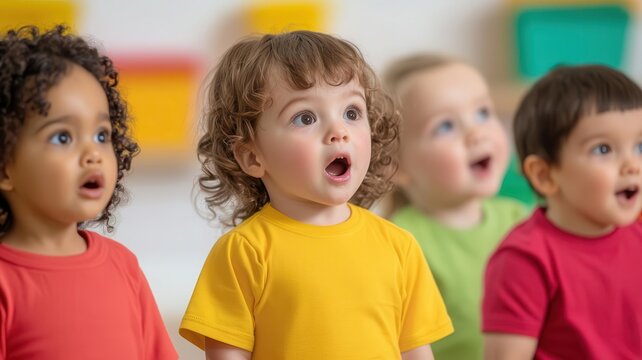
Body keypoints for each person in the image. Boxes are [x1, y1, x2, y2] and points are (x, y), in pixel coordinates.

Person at [179, 31, 453, 360]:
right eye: (305, 117)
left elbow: (416, 353)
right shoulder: (244, 252)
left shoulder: (399, 246)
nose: (340, 131)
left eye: (352, 113)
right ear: (253, 157)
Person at [0, 25, 177, 359]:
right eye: (63, 137)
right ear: (5, 168)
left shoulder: (123, 265)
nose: (93, 153)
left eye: (101, 135)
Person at [482, 65, 642, 360]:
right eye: (604, 149)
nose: (632, 164)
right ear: (544, 175)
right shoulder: (524, 260)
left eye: (639, 146)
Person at [381, 54, 529, 360]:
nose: (477, 133)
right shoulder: (399, 243)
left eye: (483, 112)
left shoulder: (521, 220)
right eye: (445, 126)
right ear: (395, 165)